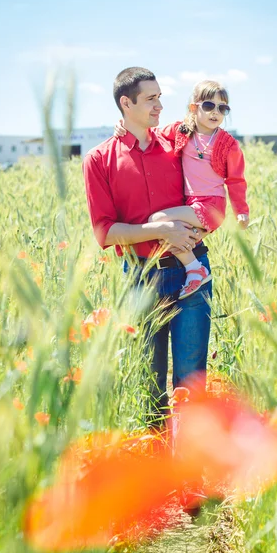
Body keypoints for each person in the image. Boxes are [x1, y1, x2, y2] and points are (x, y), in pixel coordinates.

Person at [82, 67, 212, 421]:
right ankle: (155, 469)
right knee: (149, 381)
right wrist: (162, 232)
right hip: (141, 279)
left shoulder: (178, 145)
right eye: (151, 98)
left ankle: (194, 473)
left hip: (192, 274)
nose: (160, 105)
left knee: (191, 381)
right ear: (126, 103)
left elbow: (210, 185)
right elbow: (105, 233)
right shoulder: (99, 160)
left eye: (160, 97)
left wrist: (197, 224)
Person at [115, 79, 249, 299]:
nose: (216, 112)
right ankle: (194, 269)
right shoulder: (182, 131)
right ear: (194, 108)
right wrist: (123, 126)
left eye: (222, 108)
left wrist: (241, 210)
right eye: (209, 106)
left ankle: (195, 268)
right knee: (173, 233)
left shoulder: (228, 144)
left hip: (211, 205)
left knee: (157, 220)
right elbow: (151, 134)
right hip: (191, 206)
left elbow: (236, 180)